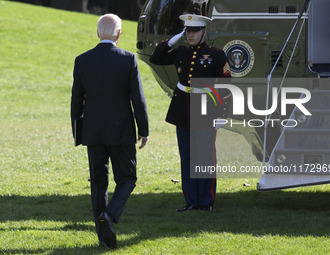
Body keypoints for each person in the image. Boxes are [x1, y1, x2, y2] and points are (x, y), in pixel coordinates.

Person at [71, 14, 149, 248]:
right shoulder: (128, 59)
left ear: (98, 33)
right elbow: (138, 100)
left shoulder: (82, 60)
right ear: (119, 34)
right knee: (127, 178)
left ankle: (103, 235)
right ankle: (110, 216)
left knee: (98, 182)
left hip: (93, 132)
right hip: (121, 131)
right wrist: (144, 130)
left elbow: (76, 100)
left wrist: (78, 132)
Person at [150, 14, 231, 212]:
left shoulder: (217, 55)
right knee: (186, 156)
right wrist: (171, 40)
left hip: (206, 109)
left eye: (195, 31)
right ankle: (191, 200)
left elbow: (226, 87)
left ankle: (206, 201)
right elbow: (156, 57)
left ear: (204, 31)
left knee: (204, 158)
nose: (191, 35)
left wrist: (223, 113)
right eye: (187, 31)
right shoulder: (181, 52)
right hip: (183, 109)